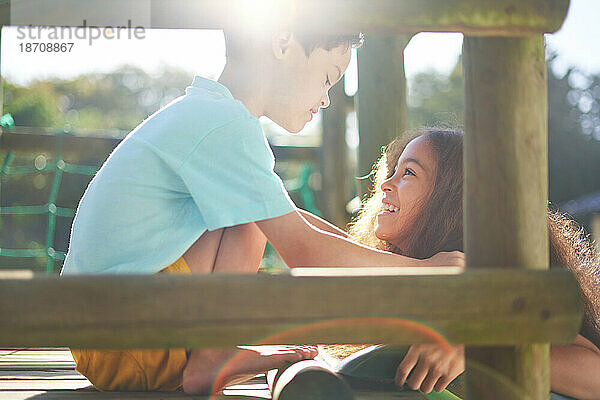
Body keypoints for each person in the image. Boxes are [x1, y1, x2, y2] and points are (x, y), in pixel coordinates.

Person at [61, 29, 464, 395]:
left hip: (106, 334)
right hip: (130, 337)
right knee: (256, 209)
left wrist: (397, 261)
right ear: (283, 41)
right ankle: (211, 354)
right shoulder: (225, 127)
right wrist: (428, 268)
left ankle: (213, 353)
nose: (325, 98)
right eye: (327, 78)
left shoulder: (208, 115)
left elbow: (289, 219)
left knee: (259, 206)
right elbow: (304, 251)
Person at [342, 129, 600, 399]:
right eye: (393, 171)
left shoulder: (483, 279)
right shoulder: (402, 274)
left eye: (408, 172)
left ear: (451, 200)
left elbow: (594, 375)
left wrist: (480, 349)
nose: (386, 183)